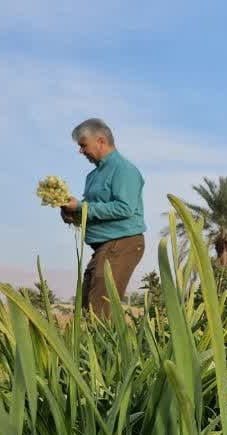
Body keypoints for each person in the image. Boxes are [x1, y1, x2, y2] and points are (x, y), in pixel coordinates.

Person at [58, 118, 145, 318]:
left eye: (83, 145)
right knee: (85, 309)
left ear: (101, 141)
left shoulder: (124, 170)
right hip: (104, 247)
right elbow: (94, 210)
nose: (80, 151)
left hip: (122, 242)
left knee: (100, 312)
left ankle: (106, 349)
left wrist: (80, 206)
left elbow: (124, 208)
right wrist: (74, 215)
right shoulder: (93, 176)